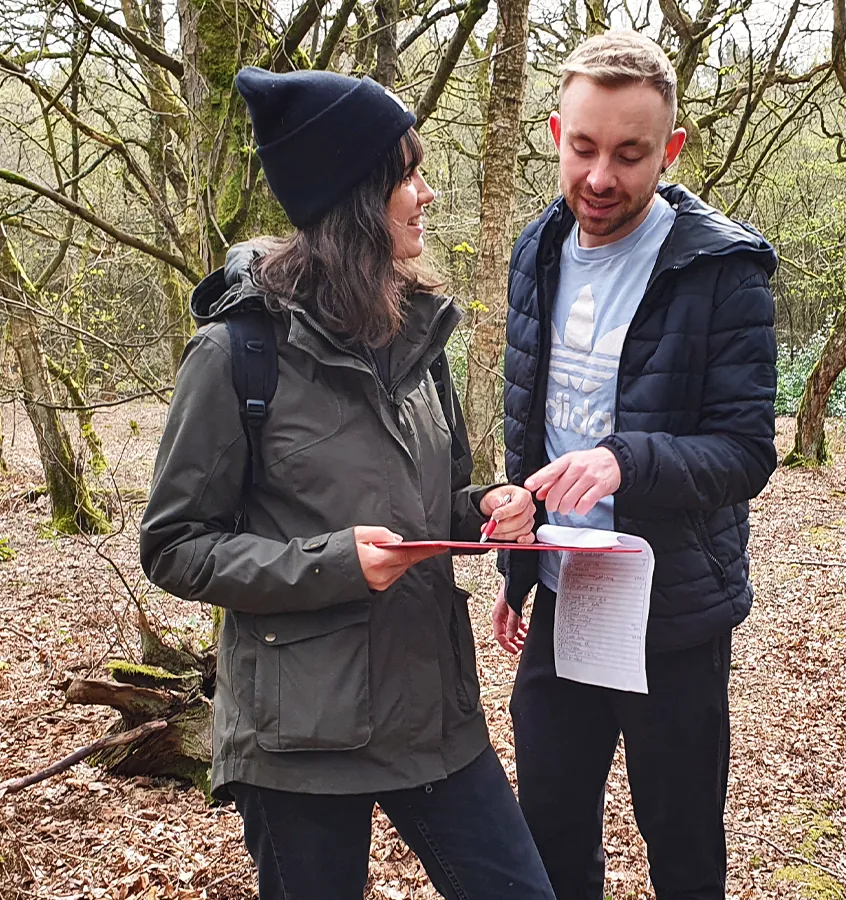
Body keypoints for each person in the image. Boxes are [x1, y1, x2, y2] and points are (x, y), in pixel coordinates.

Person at [140, 66, 555, 900]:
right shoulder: (236, 356)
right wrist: (330, 563)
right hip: (299, 744)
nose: (427, 193)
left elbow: (434, 504)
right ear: (354, 196)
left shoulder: (416, 338)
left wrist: (489, 512)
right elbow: (175, 546)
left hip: (432, 714)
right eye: (407, 175)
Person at [493, 31, 778, 900]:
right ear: (554, 133)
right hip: (565, 590)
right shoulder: (537, 249)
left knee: (682, 838)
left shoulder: (721, 270)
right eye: (582, 148)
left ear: (672, 149)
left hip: (675, 608)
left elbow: (745, 452)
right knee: (548, 829)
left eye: (630, 153)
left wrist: (625, 462)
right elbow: (531, 427)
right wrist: (517, 562)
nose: (600, 178)